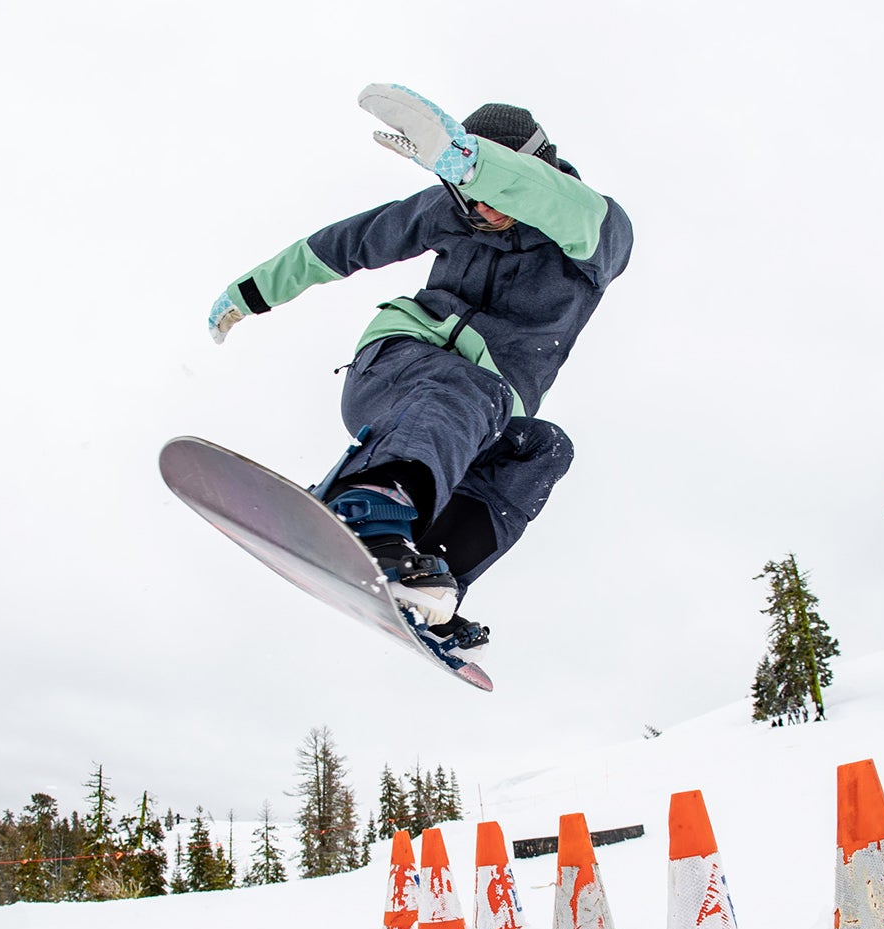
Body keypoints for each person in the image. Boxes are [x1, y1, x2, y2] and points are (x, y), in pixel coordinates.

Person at [205, 84, 635, 650]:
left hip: (478, 415)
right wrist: (251, 292)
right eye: (468, 194)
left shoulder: (594, 232)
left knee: (543, 449)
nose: (483, 208)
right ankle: (372, 509)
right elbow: (343, 244)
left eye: (496, 192)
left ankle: (430, 578)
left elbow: (560, 204)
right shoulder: (445, 213)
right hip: (397, 368)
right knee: (462, 387)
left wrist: (476, 165)